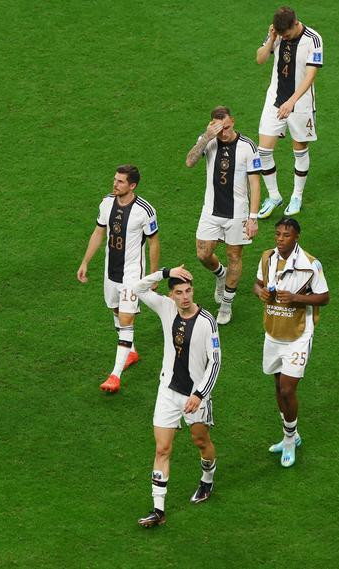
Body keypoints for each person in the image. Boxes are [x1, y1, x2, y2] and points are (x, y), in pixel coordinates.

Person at [132, 266, 221, 528]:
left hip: (194, 396)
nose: (185, 297)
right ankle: (158, 510)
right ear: (171, 295)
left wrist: (200, 394)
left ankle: (207, 479)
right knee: (162, 448)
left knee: (201, 441)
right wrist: (165, 271)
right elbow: (137, 288)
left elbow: (215, 363)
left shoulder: (207, 322)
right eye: (179, 292)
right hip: (168, 392)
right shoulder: (166, 309)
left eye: (189, 291)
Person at [253, 217, 329, 467]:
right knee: (277, 385)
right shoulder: (267, 258)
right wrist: (260, 292)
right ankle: (292, 434)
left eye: (286, 235)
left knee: (288, 388)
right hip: (274, 331)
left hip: (298, 335)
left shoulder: (310, 265)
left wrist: (296, 298)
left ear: (296, 237)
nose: (280, 239)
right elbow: (258, 284)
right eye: (277, 234)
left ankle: (288, 440)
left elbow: (324, 297)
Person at [77, 165, 160, 393]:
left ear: (132, 186)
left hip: (132, 273)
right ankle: (131, 350)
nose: (115, 184)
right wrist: (85, 261)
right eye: (115, 180)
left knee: (125, 317)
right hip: (110, 270)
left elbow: (153, 243)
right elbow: (98, 232)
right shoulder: (106, 203)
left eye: (120, 182)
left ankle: (115, 375)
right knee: (115, 309)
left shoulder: (145, 210)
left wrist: (153, 276)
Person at [185, 106, 261, 325]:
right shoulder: (208, 140)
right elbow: (189, 162)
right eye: (219, 129)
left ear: (233, 122)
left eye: (226, 127)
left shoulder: (247, 147)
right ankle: (220, 274)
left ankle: (226, 304)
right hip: (211, 211)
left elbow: (255, 183)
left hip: (237, 213)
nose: (224, 133)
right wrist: (207, 136)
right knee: (203, 254)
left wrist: (253, 217)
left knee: (234, 256)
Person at [255, 6, 323, 218]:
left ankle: (297, 195)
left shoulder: (313, 39)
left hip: (300, 105)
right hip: (274, 100)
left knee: (299, 150)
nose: (284, 37)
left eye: (286, 34)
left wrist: (291, 102)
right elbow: (260, 59)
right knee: (263, 151)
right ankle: (274, 196)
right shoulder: (277, 34)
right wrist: (270, 39)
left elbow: (310, 76)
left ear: (295, 23)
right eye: (281, 34)